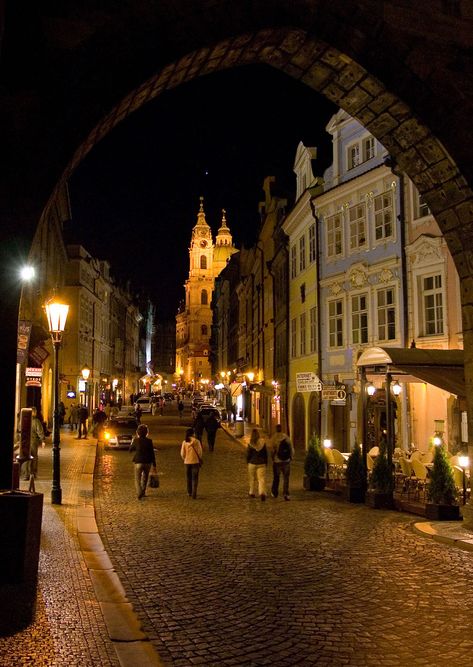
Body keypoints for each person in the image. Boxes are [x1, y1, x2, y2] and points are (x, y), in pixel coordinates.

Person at [129, 423, 157, 500]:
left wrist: (133, 443)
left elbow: (130, 450)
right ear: (146, 432)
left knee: (137, 479)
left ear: (138, 432)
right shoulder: (149, 441)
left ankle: (139, 492)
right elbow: (152, 453)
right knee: (145, 478)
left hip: (138, 461)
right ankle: (143, 492)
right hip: (148, 462)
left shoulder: (136, 440)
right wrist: (154, 464)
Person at [270, 424, 295, 501]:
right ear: (282, 429)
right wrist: (291, 457)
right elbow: (291, 448)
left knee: (276, 478)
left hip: (277, 461)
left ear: (276, 429)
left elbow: (272, 450)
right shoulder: (286, 437)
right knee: (286, 478)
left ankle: (275, 492)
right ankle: (286, 494)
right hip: (286, 461)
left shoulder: (273, 438)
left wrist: (273, 458)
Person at [22, 406, 44, 480]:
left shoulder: (23, 420)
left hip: (24, 442)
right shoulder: (36, 421)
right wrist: (42, 440)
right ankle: (33, 473)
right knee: (34, 457)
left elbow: (19, 430)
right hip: (33, 442)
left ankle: (25, 475)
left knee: (25, 457)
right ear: (34, 413)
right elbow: (40, 431)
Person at [180, 427, 203, 499]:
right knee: (195, 478)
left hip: (187, 462)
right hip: (195, 462)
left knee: (188, 477)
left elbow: (182, 453)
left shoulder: (184, 442)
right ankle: (194, 493)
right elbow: (200, 453)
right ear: (193, 433)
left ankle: (189, 492)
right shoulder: (197, 441)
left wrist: (185, 458)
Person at [246, 428, 268, 501]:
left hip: (252, 463)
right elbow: (265, 454)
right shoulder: (262, 442)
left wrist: (248, 461)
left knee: (252, 478)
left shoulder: (250, 443)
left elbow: (248, 454)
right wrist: (266, 462)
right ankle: (262, 492)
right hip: (261, 463)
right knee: (261, 479)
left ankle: (251, 492)